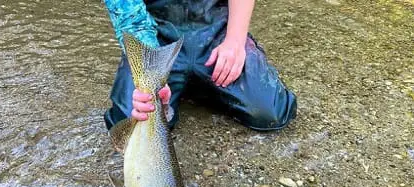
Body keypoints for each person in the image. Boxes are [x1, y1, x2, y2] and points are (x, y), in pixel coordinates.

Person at [103, 0, 297, 131]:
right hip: (156, 34)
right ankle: (186, 84)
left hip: (217, 29)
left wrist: (235, 40)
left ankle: (195, 84)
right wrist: (150, 75)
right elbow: (130, 16)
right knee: (132, 125)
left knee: (269, 113)